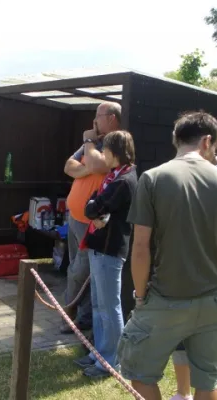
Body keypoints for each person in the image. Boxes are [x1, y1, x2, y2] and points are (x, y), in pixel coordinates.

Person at [118, 112, 217, 400]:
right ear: (207, 141)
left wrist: (140, 295)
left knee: (140, 374)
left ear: (176, 139)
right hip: (212, 300)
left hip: (164, 298)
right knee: (208, 380)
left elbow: (140, 247)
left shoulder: (153, 178)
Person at [169, 133, 217, 400]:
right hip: (182, 275)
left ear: (208, 144)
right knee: (182, 340)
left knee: (209, 355)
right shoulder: (184, 174)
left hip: (210, 279)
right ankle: (183, 393)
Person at [73, 130, 137, 379]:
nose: (103, 154)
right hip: (99, 247)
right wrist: (95, 207)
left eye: (105, 150)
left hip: (110, 249)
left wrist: (95, 208)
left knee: (110, 307)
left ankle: (111, 361)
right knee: (99, 304)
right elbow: (93, 202)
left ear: (115, 152)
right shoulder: (113, 176)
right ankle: (99, 353)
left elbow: (95, 208)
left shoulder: (124, 181)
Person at [61, 101, 120, 333]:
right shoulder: (93, 144)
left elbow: (99, 164)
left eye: (99, 116)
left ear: (112, 118)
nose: (94, 121)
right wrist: (88, 168)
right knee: (78, 271)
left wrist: (88, 142)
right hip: (75, 218)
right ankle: (82, 318)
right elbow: (68, 166)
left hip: (91, 223)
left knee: (79, 273)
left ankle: (69, 315)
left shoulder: (115, 143)